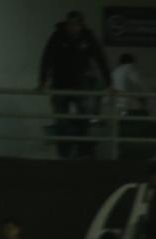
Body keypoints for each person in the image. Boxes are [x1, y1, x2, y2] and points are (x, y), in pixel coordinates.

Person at [38, 11, 109, 159]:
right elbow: (47, 57)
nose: (72, 27)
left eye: (75, 24)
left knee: (84, 119)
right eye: (70, 24)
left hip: (80, 83)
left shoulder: (87, 37)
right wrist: (42, 81)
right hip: (60, 83)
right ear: (66, 24)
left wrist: (109, 83)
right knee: (61, 121)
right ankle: (64, 155)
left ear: (81, 25)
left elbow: (100, 58)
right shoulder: (58, 36)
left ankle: (82, 152)